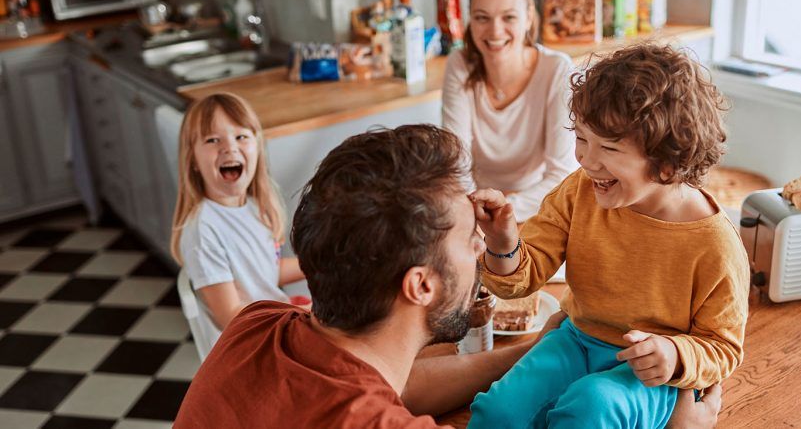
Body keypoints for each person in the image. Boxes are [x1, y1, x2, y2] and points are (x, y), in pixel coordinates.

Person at [174, 125, 724, 428]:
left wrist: (532, 350)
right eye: (468, 239)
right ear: (421, 286)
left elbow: (392, 385)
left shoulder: (257, 324)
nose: (482, 245)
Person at [468, 44, 750, 428]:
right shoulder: (578, 191)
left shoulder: (714, 244)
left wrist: (673, 353)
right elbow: (521, 279)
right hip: (576, 340)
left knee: (590, 405)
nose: (586, 159)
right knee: (498, 411)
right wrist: (503, 243)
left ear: (667, 163)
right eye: (581, 138)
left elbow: (723, 347)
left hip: (652, 376)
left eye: (610, 147)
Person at [170, 93, 308, 344]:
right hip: (252, 344)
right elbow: (232, 319)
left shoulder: (254, 207)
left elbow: (264, 273)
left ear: (257, 147)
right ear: (193, 161)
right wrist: (304, 314)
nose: (229, 148)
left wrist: (318, 264)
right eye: (212, 140)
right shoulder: (204, 229)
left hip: (274, 322)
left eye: (241, 136)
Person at [442, 0, 579, 221]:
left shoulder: (557, 69)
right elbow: (456, 164)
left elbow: (562, 175)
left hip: (537, 209)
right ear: (470, 19)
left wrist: (501, 207)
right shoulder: (459, 64)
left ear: (528, 17)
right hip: (475, 209)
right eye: (482, 17)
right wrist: (477, 210)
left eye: (509, 17)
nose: (495, 31)